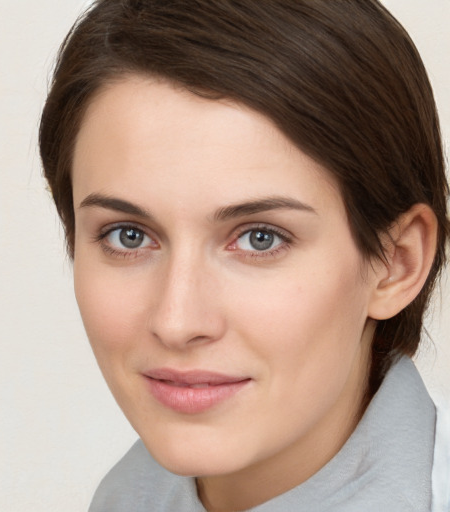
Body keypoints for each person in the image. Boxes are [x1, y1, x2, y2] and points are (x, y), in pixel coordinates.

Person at [39, 1, 450, 510]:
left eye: (260, 238)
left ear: (397, 262)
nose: (176, 321)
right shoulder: (124, 496)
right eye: (128, 235)